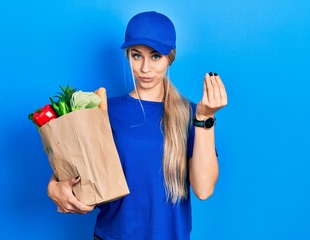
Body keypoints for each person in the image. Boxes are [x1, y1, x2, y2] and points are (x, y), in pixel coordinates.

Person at [47, 11, 227, 240]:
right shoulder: (103, 110)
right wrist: (53, 188)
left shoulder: (191, 114)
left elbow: (203, 189)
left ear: (170, 57)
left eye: (155, 56)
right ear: (127, 56)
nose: (144, 69)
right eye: (136, 55)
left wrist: (205, 119)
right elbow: (69, 168)